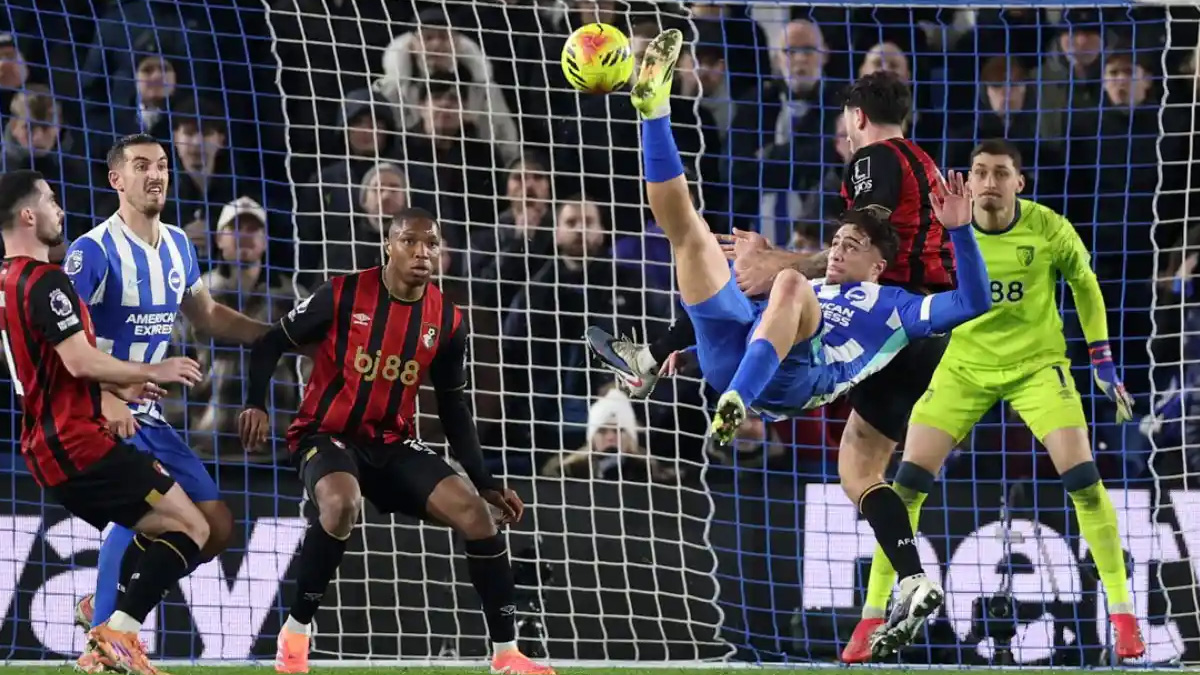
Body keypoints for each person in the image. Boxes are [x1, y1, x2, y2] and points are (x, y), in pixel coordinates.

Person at [593, 68, 960, 643]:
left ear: (857, 117)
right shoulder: (925, 163)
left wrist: (780, 262)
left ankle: (686, 368)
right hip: (917, 335)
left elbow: (861, 246)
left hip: (880, 319)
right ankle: (912, 579)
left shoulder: (874, 159)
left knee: (728, 259)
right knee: (861, 473)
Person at [848, 140, 1144, 661]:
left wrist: (1102, 361)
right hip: (961, 367)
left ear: (1018, 183)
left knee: (1084, 481)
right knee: (906, 485)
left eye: (1001, 173)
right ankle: (871, 618)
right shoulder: (948, 230)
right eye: (980, 171)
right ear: (968, 180)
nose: (989, 181)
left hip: (1037, 367)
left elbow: (1085, 285)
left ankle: (1122, 616)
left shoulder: (1049, 227)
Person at [237, 207, 554, 675]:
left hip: (391, 442)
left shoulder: (447, 320)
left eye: (431, 244)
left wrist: (485, 481)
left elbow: (453, 407)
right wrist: (255, 404)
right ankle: (295, 634)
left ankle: (507, 655)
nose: (422, 252)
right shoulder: (343, 293)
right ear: (389, 245)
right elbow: (270, 341)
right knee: (341, 503)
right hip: (325, 435)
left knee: (479, 517)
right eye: (410, 241)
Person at [64, 133, 272, 670]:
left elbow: (207, 317)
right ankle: (107, 638)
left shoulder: (178, 243)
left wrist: (276, 338)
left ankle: (102, 605)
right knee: (144, 514)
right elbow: (61, 340)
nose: (155, 174)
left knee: (216, 527)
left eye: (160, 165)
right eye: (141, 166)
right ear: (117, 179)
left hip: (150, 416)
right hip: (100, 413)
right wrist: (106, 394)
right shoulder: (92, 251)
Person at [0, 169, 206, 675]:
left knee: (160, 526)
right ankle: (115, 633)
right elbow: (78, 361)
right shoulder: (47, 280)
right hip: (78, 443)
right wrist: (151, 370)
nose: (59, 209)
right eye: (49, 200)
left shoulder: (6, 280)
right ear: (27, 215)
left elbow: (51, 366)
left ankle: (106, 639)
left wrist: (118, 386)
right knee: (192, 526)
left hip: (49, 446)